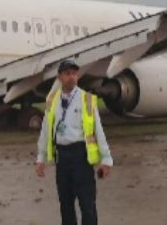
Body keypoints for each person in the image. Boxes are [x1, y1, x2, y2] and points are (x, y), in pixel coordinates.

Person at [35, 60, 113, 225]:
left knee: (87, 204)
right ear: (60, 77)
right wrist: (40, 158)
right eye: (68, 74)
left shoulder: (87, 99)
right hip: (62, 157)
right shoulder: (52, 100)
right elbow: (45, 130)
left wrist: (106, 159)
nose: (72, 77)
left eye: (74, 73)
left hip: (81, 157)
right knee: (65, 204)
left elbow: (99, 130)